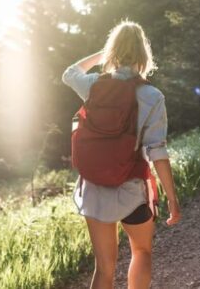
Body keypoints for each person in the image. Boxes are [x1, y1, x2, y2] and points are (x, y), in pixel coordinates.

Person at [62, 20, 181, 289]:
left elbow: (69, 73)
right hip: (131, 188)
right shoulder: (152, 95)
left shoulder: (94, 85)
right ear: (144, 54)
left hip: (94, 187)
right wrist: (172, 199)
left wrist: (103, 55)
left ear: (113, 51)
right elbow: (157, 152)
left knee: (104, 269)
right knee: (142, 252)